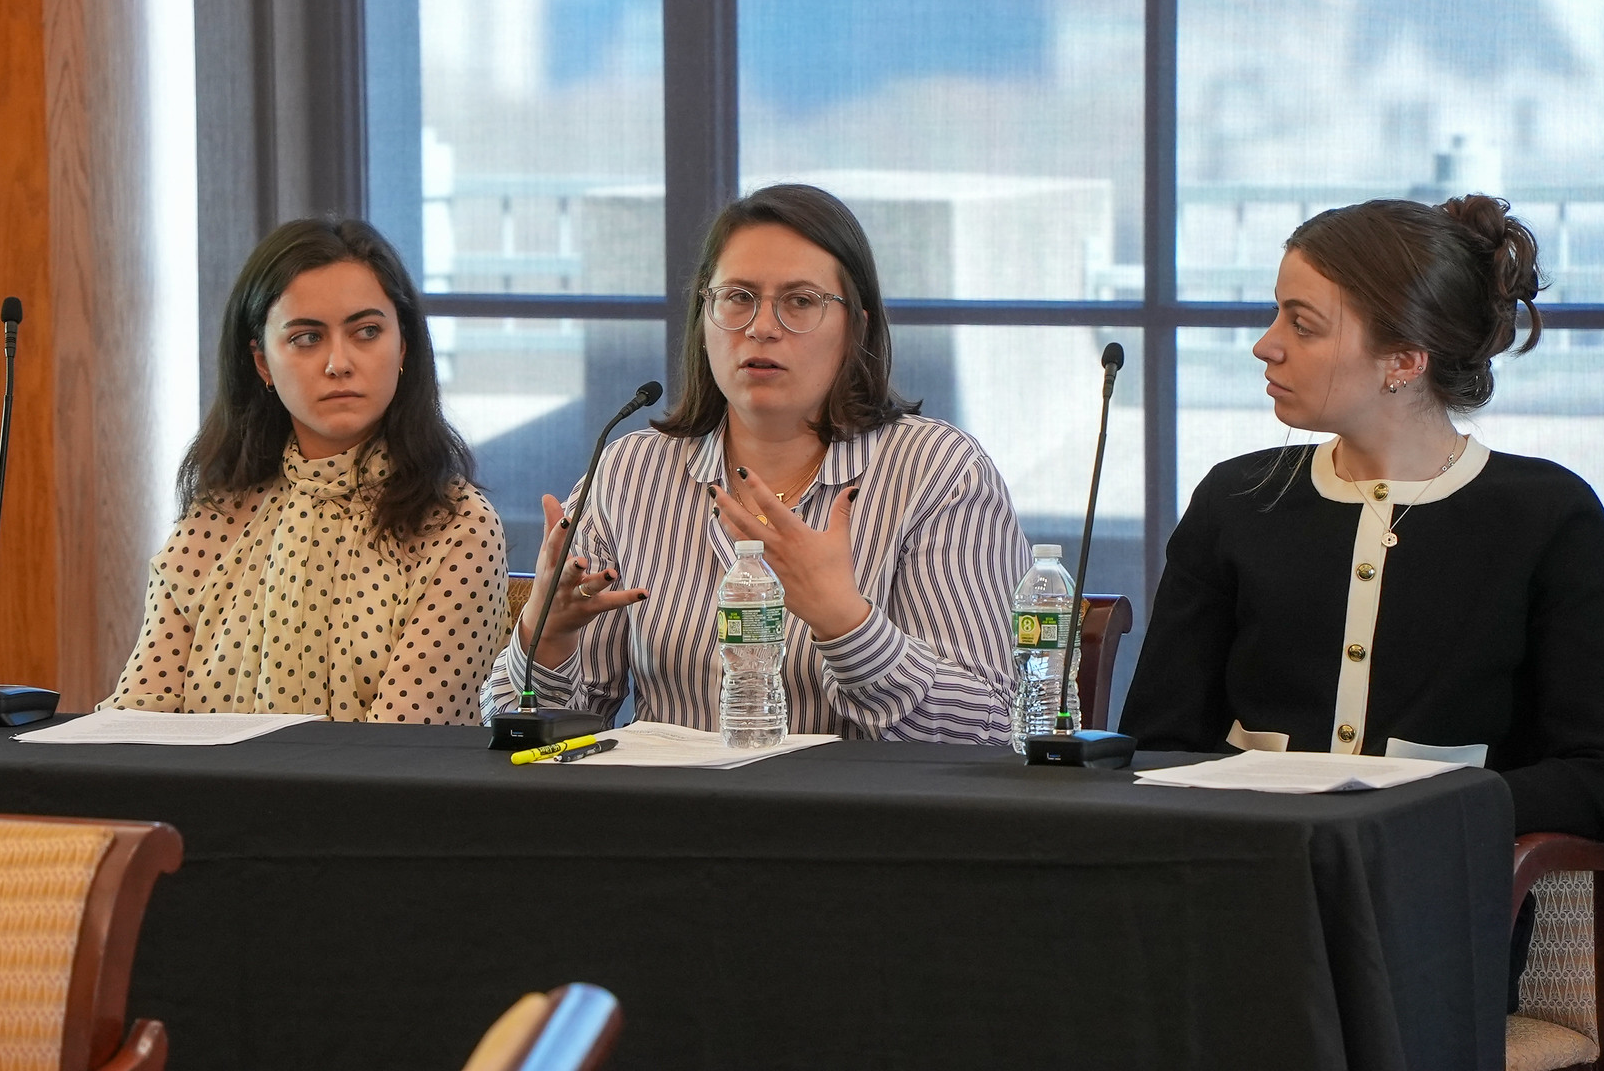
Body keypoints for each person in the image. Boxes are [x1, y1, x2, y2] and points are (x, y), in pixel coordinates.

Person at [1119, 196, 1604, 843]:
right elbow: (1153, 746)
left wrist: (1416, 809)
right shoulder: (1235, 498)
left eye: (1302, 325)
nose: (1265, 346)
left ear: (1403, 360)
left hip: (1437, 906)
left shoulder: (1547, 514)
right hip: (1238, 886)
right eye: (1275, 316)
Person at [481, 184, 1031, 742]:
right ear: (705, 317)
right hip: (672, 819)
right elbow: (520, 732)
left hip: (861, 823)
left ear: (856, 327)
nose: (762, 325)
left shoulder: (940, 473)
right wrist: (544, 641)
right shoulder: (629, 474)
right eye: (738, 297)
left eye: (800, 301)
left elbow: (988, 729)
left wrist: (848, 624)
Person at [103, 217, 508, 722]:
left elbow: (403, 756)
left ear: (403, 346)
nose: (339, 362)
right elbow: (135, 721)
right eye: (306, 338)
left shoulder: (456, 526)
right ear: (262, 363)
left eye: (366, 332)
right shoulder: (215, 519)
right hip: (199, 800)